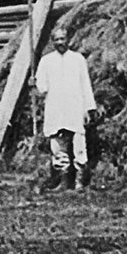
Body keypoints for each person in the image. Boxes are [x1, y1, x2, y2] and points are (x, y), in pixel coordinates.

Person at [34, 27, 98, 191]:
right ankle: (63, 181)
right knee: (57, 145)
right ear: (52, 42)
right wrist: (34, 83)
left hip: (75, 107)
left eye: (63, 39)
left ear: (68, 39)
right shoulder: (46, 61)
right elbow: (42, 87)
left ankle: (79, 181)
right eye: (57, 40)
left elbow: (86, 84)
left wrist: (89, 107)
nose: (60, 43)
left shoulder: (77, 59)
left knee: (78, 145)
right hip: (55, 108)